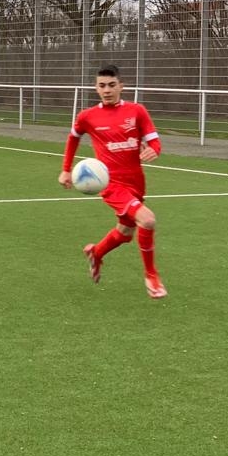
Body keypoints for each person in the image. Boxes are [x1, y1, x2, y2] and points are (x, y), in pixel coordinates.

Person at [57, 64, 166, 299]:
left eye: (111, 85)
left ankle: (96, 253)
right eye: (102, 86)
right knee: (147, 220)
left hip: (136, 182)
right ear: (96, 88)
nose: (107, 90)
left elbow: (154, 141)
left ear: (121, 86)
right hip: (111, 184)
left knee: (125, 232)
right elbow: (73, 137)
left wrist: (154, 150)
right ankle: (151, 276)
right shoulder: (87, 116)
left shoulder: (137, 111)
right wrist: (66, 170)